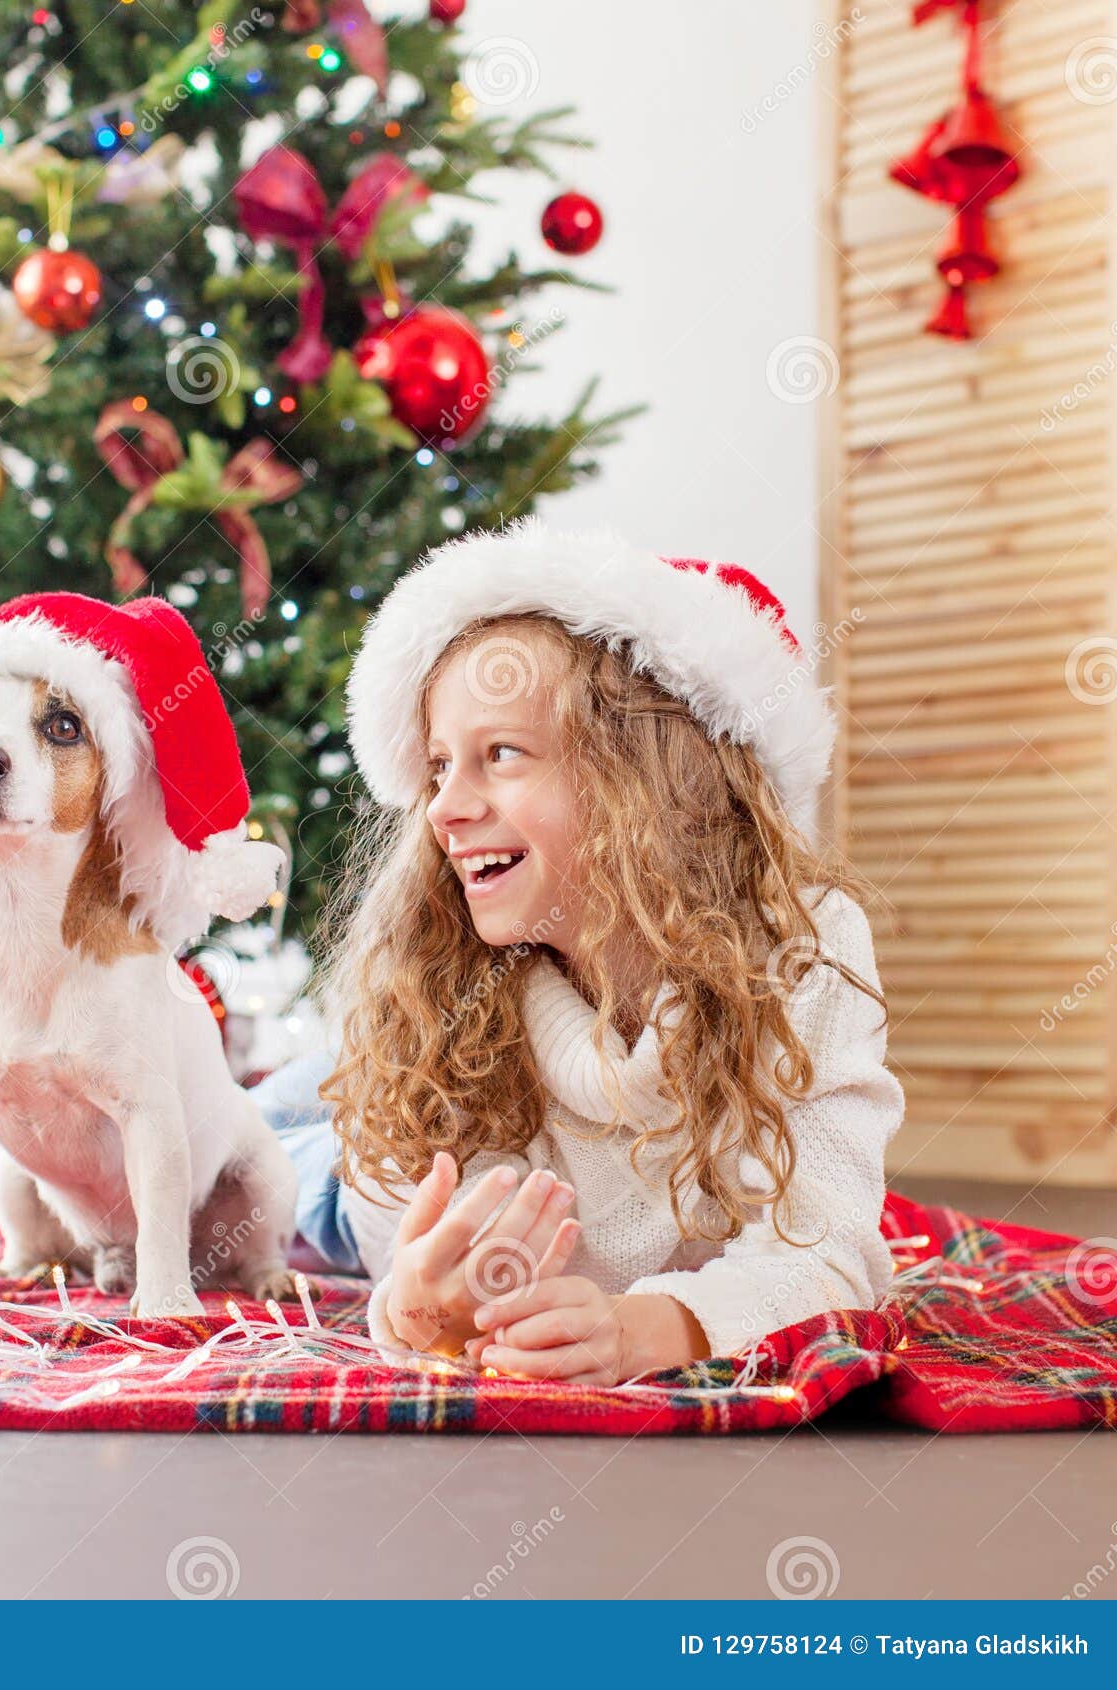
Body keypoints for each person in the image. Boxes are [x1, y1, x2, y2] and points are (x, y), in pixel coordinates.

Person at [251, 518, 904, 1387]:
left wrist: (643, 1330)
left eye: (501, 755)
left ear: (654, 780)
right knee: (224, 1155)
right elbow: (420, 1250)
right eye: (440, 767)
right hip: (347, 1170)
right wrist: (418, 1304)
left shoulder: (802, 952)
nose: (444, 808)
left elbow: (831, 1257)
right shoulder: (447, 989)